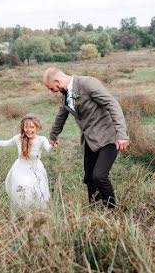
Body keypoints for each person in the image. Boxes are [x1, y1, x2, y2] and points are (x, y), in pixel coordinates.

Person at [43, 67, 129, 208]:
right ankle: (93, 210)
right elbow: (61, 115)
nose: (52, 92)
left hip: (109, 136)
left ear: (57, 81)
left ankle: (113, 211)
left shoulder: (87, 83)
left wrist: (122, 134)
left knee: (99, 176)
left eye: (51, 88)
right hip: (90, 140)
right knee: (89, 179)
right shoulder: (66, 94)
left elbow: (112, 104)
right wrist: (53, 135)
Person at [0, 114, 52, 215]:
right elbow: (5, 143)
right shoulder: (18, 138)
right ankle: (25, 212)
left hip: (35, 169)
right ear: (23, 128)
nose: (29, 130)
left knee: (36, 190)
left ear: (37, 127)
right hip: (20, 168)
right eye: (26, 127)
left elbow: (49, 149)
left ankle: (36, 213)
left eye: (32, 127)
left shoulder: (41, 139)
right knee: (22, 187)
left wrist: (53, 145)